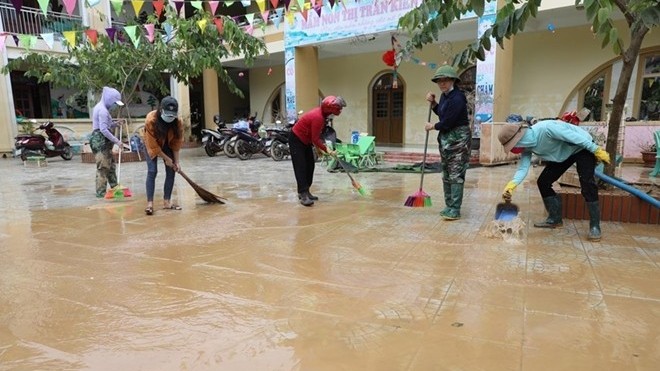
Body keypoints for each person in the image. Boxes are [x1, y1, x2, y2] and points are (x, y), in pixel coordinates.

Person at [497, 119, 611, 241]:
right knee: (543, 182)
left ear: (518, 138)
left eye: (513, 146)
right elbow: (523, 168)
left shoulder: (546, 129)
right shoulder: (527, 147)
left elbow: (575, 137)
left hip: (582, 147)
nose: (514, 149)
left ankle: (595, 226)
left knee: (587, 183)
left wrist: (596, 149)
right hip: (563, 155)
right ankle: (554, 219)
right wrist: (512, 185)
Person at [424, 65, 471, 220]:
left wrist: (433, 126)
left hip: (458, 140)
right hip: (445, 141)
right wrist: (434, 104)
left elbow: (448, 122)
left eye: (446, 80)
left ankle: (455, 209)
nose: (442, 83)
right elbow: (442, 114)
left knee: (456, 174)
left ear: (453, 81)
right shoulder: (445, 96)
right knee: (446, 173)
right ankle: (449, 205)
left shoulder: (458, 98)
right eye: (439, 81)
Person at [289, 96, 345, 206]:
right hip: (296, 139)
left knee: (310, 165)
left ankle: (306, 191)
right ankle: (303, 194)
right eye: (336, 110)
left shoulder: (322, 116)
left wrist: (318, 147)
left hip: (306, 140)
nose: (337, 113)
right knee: (301, 166)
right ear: (329, 109)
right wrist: (328, 150)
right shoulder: (318, 117)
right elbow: (315, 138)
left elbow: (315, 134)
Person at [142, 96, 184, 215]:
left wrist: (176, 162)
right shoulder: (151, 120)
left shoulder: (178, 122)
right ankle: (150, 204)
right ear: (161, 110)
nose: (170, 117)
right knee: (152, 171)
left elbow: (176, 144)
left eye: (172, 115)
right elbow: (154, 146)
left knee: (171, 170)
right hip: (151, 143)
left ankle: (167, 202)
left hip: (167, 144)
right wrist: (166, 158)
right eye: (168, 114)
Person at [90, 86, 129, 198]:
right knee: (103, 167)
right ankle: (101, 193)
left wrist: (115, 124)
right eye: (115, 103)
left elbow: (106, 124)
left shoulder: (104, 109)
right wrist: (118, 142)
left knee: (111, 165)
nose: (115, 106)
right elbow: (103, 129)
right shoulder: (102, 110)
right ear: (109, 99)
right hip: (99, 140)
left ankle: (115, 187)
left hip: (104, 140)